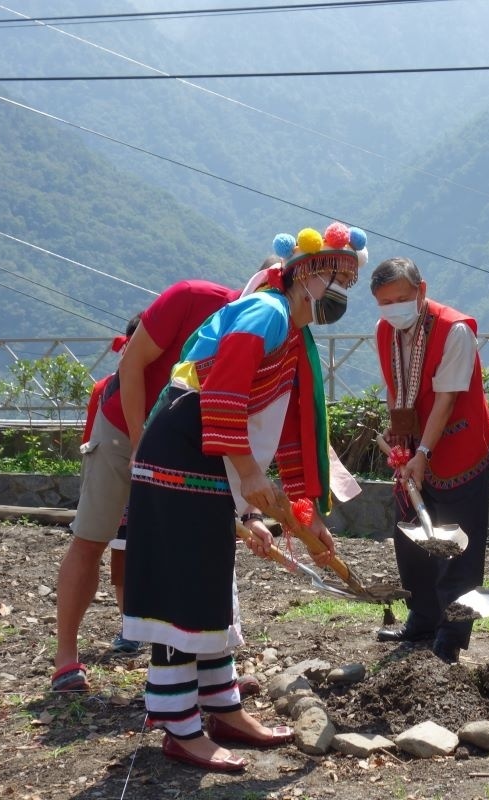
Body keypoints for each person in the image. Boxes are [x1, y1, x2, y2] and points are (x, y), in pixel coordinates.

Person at [122, 222, 365, 772]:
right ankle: (180, 727)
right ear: (303, 277)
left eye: (344, 279)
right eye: (331, 277)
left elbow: (295, 434)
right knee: (182, 586)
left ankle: (223, 708)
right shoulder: (268, 312)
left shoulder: (294, 339)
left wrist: (307, 513)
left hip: (208, 457)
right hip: (184, 452)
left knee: (208, 581)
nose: (338, 292)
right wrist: (251, 475)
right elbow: (224, 392)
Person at [52, 280, 238, 693]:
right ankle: (66, 657)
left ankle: (207, 667)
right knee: (93, 537)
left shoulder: (269, 333)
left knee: (193, 546)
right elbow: (130, 364)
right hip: (122, 428)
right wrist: (141, 443)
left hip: (186, 439)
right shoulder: (191, 298)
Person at [371, 256, 489, 665]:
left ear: (421, 290)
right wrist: (400, 439)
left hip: (459, 446)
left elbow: (446, 400)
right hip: (412, 448)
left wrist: (423, 453)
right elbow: (394, 388)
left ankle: (452, 633)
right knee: (411, 536)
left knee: (458, 544)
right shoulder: (384, 331)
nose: (394, 308)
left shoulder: (454, 330)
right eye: (385, 302)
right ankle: (422, 617)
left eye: (402, 298)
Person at [79, 314, 143, 655]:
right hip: (121, 483)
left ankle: (145, 623)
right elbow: (93, 439)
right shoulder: (105, 389)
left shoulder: (165, 385)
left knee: (147, 555)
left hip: (149, 483)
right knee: (122, 555)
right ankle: (129, 624)